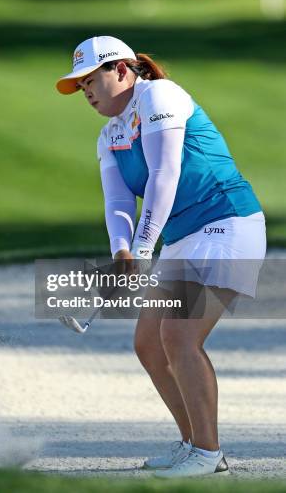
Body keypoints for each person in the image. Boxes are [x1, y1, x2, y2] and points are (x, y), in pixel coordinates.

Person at [55, 35, 266, 478]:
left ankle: (208, 455)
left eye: (91, 80)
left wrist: (145, 247)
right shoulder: (109, 133)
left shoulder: (160, 96)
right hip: (184, 238)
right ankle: (193, 444)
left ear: (121, 69)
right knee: (149, 343)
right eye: (80, 86)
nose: (86, 92)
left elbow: (164, 174)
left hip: (227, 224)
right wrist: (122, 252)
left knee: (180, 335)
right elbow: (117, 202)